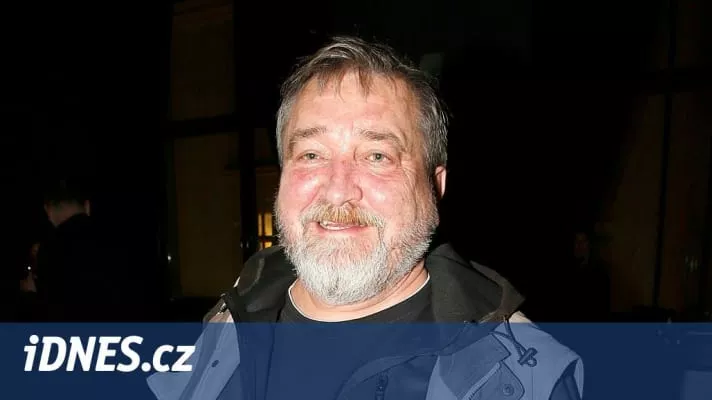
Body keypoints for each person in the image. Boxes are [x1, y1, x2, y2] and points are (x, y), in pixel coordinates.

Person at [148, 36, 583, 400]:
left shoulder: (525, 380)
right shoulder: (226, 324)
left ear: (435, 186)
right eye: (311, 155)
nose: (337, 189)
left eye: (377, 156)